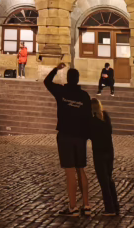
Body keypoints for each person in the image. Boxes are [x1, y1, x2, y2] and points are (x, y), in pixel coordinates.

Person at [44, 62, 92, 216]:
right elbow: (88, 118)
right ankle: (87, 205)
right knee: (81, 169)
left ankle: (73, 207)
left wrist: (56, 69)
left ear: (68, 78)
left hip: (65, 135)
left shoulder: (61, 91)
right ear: (77, 80)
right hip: (80, 136)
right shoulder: (84, 96)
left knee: (70, 171)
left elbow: (47, 82)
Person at [89, 98, 120, 217]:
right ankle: (115, 206)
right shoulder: (106, 117)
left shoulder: (92, 122)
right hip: (109, 151)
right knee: (109, 179)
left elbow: (90, 135)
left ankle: (110, 208)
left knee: (104, 182)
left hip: (99, 153)